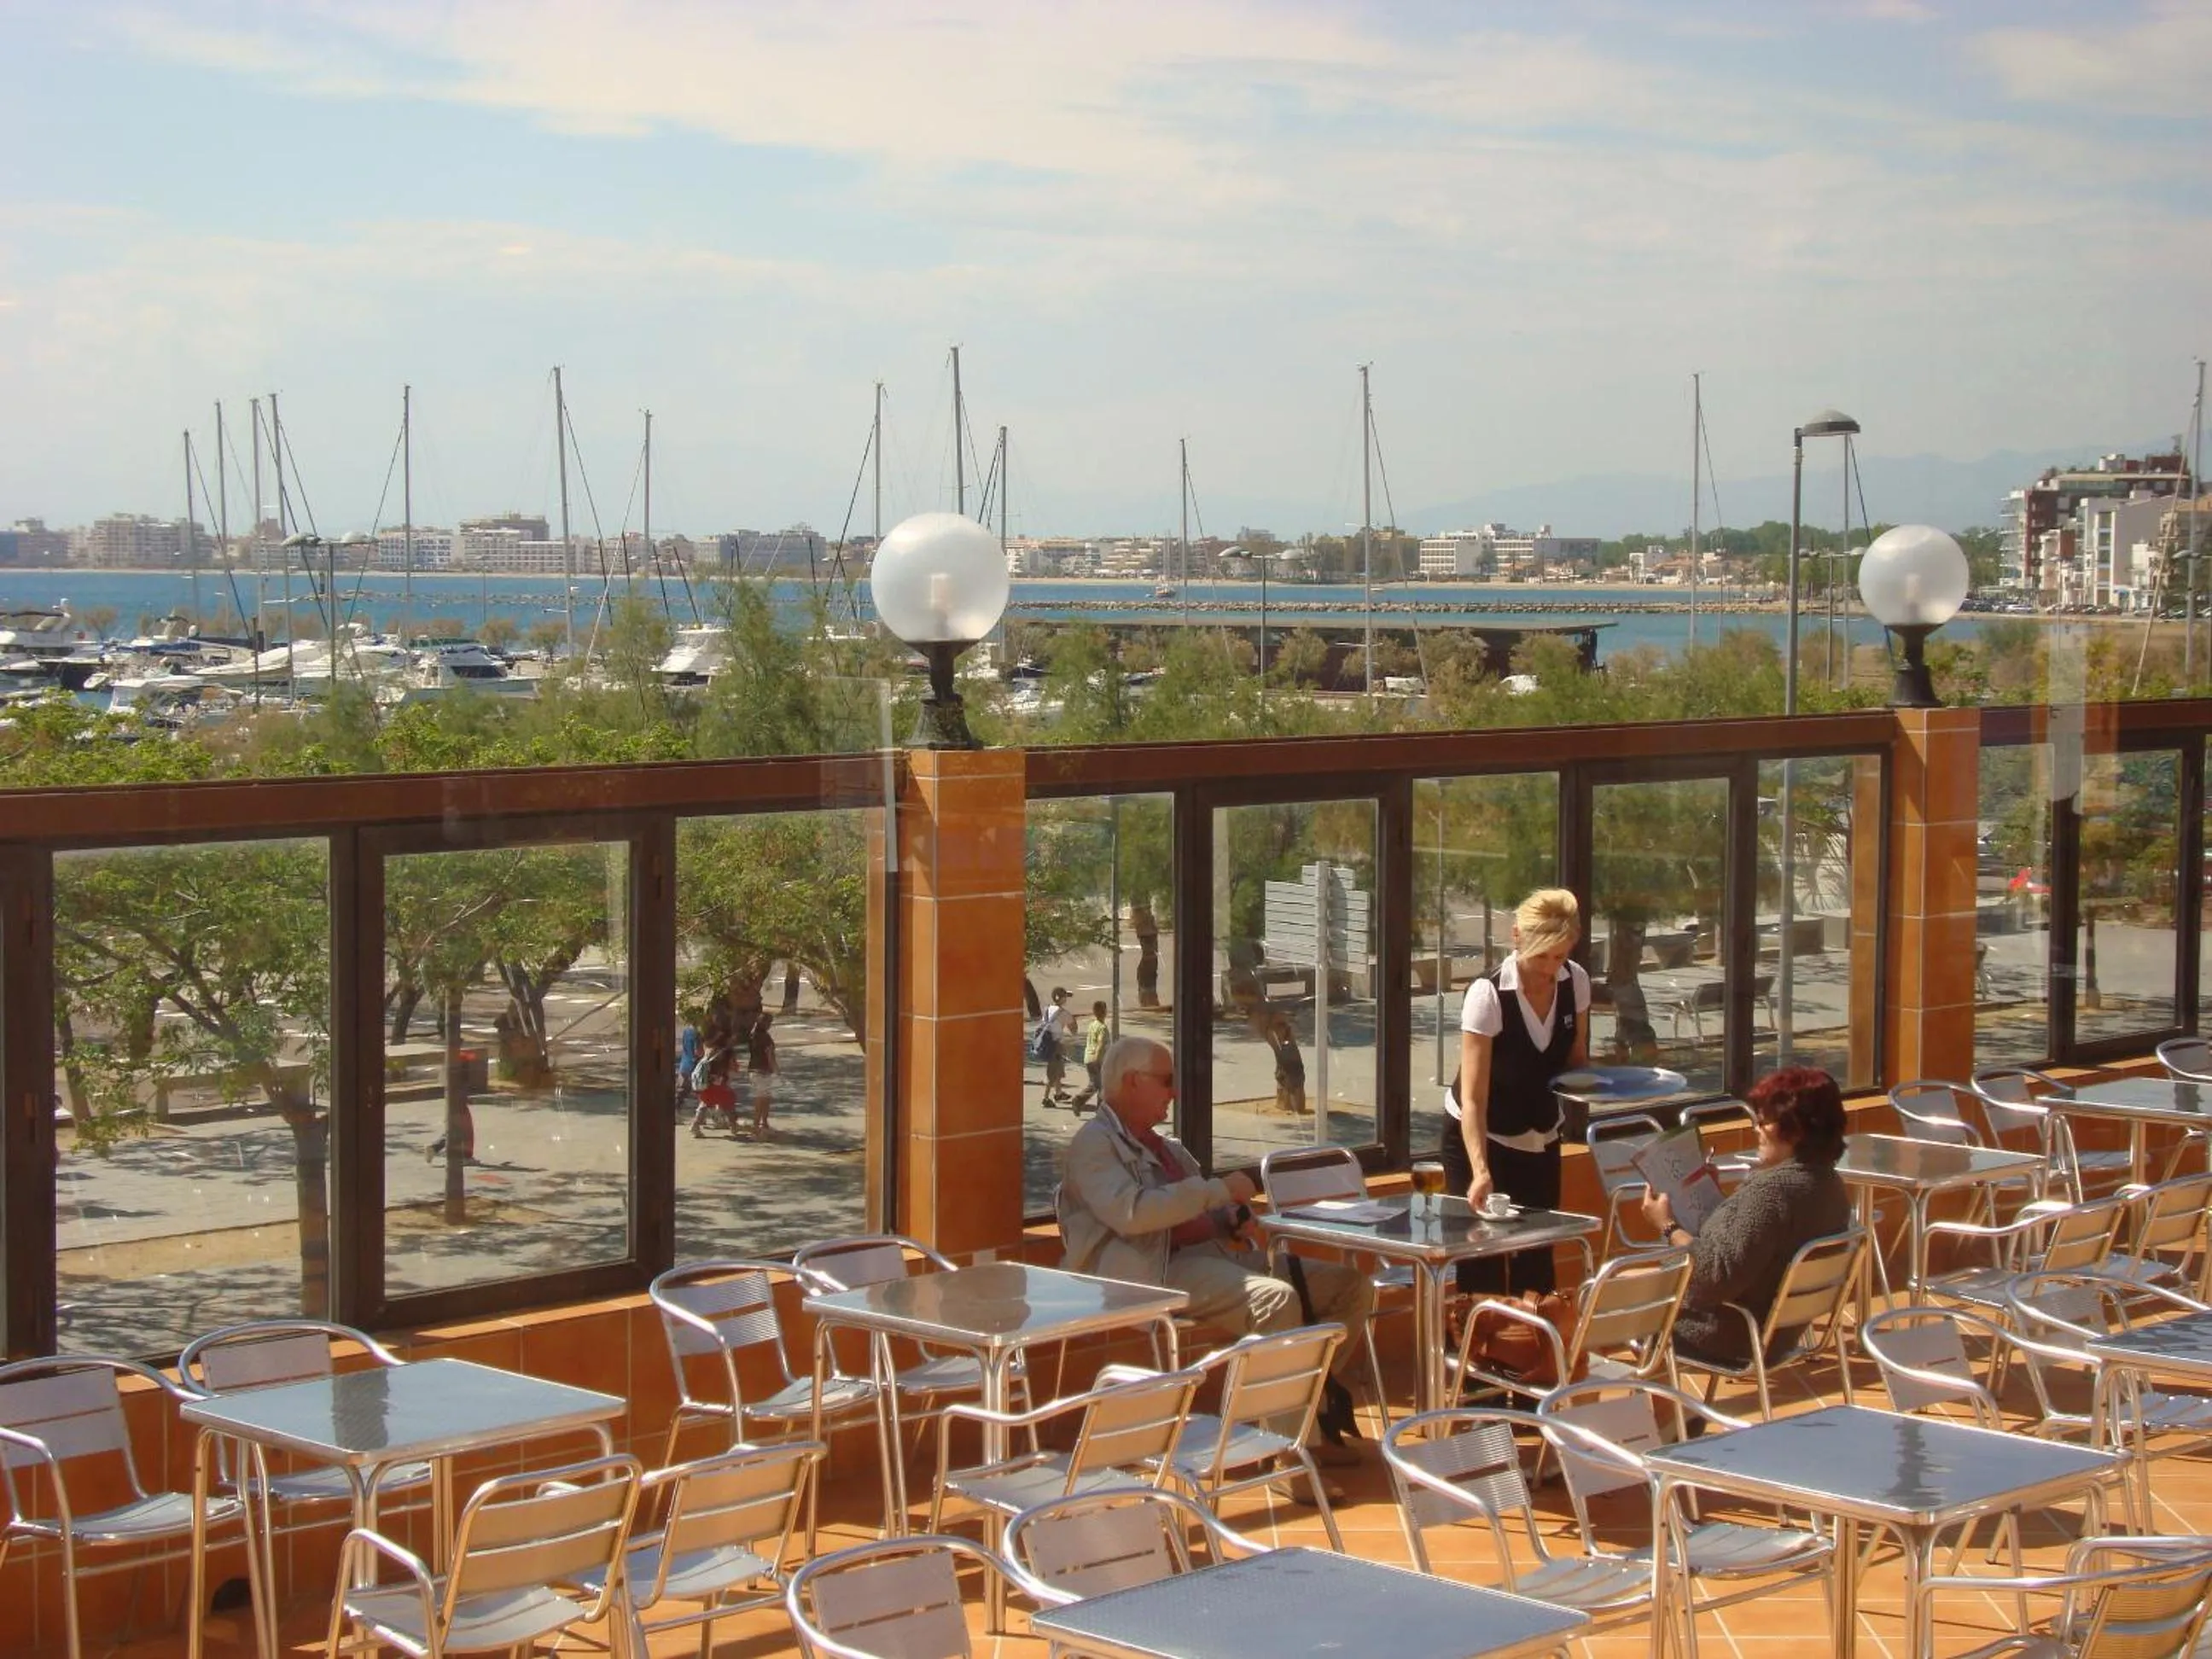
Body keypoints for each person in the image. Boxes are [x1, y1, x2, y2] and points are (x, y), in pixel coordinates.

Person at [1057, 1036, 1373, 1473]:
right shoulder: (1094, 1145)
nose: (1174, 1093)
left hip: (1210, 1258)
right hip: (1149, 1273)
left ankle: (1306, 1411)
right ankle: (1283, 1453)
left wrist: (1230, 1218)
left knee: (1351, 1288)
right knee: (1276, 1299)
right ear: (1132, 1082)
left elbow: (1203, 1208)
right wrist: (1216, 1191)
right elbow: (1132, 1213)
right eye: (1166, 1081)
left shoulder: (1165, 1147)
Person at [1642, 1065, 1854, 1371]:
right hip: (1777, 1333)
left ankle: (1582, 1408)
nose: (1756, 1128)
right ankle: (1679, 1418)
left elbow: (1715, 1278)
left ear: (1794, 1129)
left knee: (1606, 1301)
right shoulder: (1828, 1185)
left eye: (1763, 1121)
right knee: (1634, 1293)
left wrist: (1667, 1225)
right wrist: (1710, 1199)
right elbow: (1751, 1243)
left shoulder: (1771, 1194)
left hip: (1730, 1334)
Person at [1445, 888, 1590, 1296]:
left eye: (1559, 956)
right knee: (1484, 1261)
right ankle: (1479, 1352)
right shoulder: (1487, 995)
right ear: (1516, 938)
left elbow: (1575, 1060)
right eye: (1541, 955)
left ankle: (1532, 1352)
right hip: (1480, 1135)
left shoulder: (1575, 982)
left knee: (1537, 1255)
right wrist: (1481, 1171)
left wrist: (1609, 1085)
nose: (1549, 968)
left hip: (1540, 1134)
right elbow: (1473, 1098)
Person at [1068, 1000, 1109, 1112]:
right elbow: (1100, 1045)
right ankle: (1080, 1100)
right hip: (1097, 1059)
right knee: (1100, 1085)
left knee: (1096, 1084)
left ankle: (1099, 1108)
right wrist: (1099, 1059)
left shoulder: (1092, 1025)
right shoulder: (1102, 1028)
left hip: (1088, 1057)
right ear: (1104, 1012)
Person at [689, 1046, 739, 1138]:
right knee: (728, 1103)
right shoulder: (727, 1051)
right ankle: (733, 1126)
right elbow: (733, 1067)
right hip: (719, 1084)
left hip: (709, 1083)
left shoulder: (712, 1048)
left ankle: (695, 1125)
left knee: (705, 1104)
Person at [1037, 986, 1074, 1108]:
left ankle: (1059, 1093)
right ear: (1062, 999)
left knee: (1058, 1070)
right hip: (1056, 1045)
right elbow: (1074, 1029)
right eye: (1065, 997)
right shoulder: (1063, 1013)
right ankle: (1045, 1098)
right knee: (1052, 1072)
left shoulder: (1048, 1009)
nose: (1066, 999)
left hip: (1047, 1044)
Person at [1265, 1013, 1307, 1115]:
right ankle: (1288, 1106)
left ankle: (1294, 1108)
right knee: (1289, 1082)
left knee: (1294, 1084)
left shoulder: (1287, 1043)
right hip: (1287, 1070)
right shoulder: (1281, 1041)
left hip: (1292, 1071)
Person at [746, 1011, 777, 1139]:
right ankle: (756, 1127)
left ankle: (763, 1124)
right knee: (762, 1100)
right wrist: (777, 1070)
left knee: (764, 1099)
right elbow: (770, 1057)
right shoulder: (765, 1038)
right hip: (763, 1072)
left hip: (753, 1071)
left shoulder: (753, 1035)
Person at [675, 1018, 702, 1114]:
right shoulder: (697, 1034)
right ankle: (701, 1115)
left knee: (683, 1089)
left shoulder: (686, 1031)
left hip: (685, 1062)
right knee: (700, 1088)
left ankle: (676, 1108)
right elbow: (697, 1051)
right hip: (694, 1064)